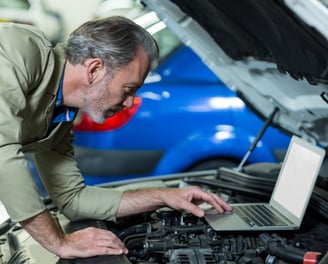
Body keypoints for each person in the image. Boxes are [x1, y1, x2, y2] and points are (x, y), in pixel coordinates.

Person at [0, 16, 232, 259]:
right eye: (129, 89)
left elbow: (74, 199)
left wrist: (164, 196)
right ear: (95, 70)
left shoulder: (59, 121)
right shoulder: (17, 50)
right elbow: (2, 151)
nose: (130, 102)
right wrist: (59, 242)